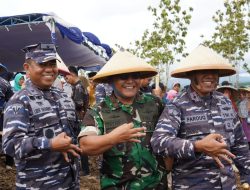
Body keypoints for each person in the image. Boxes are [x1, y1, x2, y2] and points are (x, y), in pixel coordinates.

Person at [151, 45, 250, 189]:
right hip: (193, 184)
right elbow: (159, 142)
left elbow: (240, 143)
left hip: (228, 184)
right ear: (191, 75)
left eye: (214, 71)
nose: (210, 76)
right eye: (203, 71)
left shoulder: (225, 101)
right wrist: (197, 146)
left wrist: (247, 174)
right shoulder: (178, 105)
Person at [78, 50, 167, 190]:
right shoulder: (99, 111)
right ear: (111, 80)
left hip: (156, 185)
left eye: (135, 76)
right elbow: (85, 145)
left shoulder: (155, 104)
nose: (130, 81)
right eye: (123, 77)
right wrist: (114, 138)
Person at [2, 43, 82, 189]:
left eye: (52, 64)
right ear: (27, 68)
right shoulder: (20, 101)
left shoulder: (64, 97)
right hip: (38, 184)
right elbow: (10, 145)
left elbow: (76, 132)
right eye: (42, 64)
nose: (49, 69)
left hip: (70, 182)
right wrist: (49, 144)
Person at [65, 66, 90, 176]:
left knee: (80, 143)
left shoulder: (79, 86)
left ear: (71, 74)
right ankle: (81, 167)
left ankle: (84, 169)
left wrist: (66, 104)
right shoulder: (77, 86)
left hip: (79, 118)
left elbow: (78, 104)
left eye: (66, 76)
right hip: (78, 117)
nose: (66, 79)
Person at [0, 64, 14, 170]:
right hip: (3, 114)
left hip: (2, 114)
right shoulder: (6, 83)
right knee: (6, 135)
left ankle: (9, 163)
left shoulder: (4, 83)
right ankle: (9, 163)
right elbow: (11, 101)